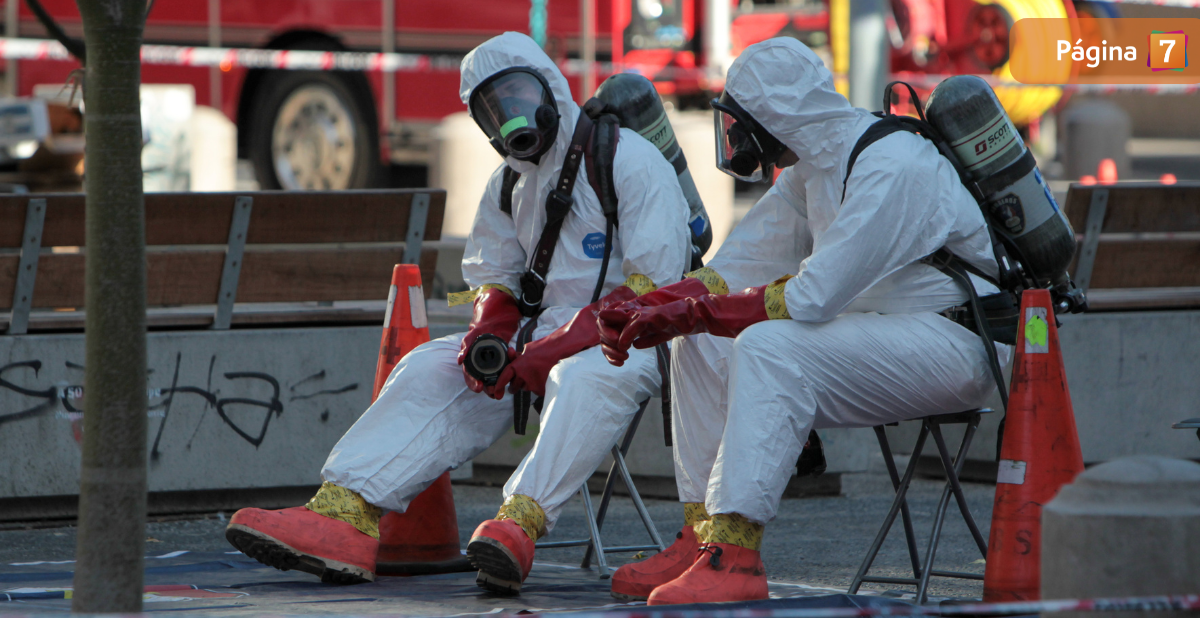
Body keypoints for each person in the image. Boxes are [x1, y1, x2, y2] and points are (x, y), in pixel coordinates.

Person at [224, 32, 691, 595]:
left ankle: (518, 526)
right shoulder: (508, 183)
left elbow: (651, 295)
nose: (511, 118)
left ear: (549, 87)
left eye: (518, 97)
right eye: (493, 110)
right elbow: (494, 276)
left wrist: (550, 351)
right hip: (538, 339)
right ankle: (343, 516)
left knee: (582, 376)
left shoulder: (630, 162)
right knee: (427, 366)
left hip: (628, 343)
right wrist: (487, 334)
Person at [597, 37, 1012, 605]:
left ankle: (735, 557)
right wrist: (654, 307)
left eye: (742, 125)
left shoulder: (893, 164)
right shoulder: (813, 166)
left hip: (962, 340)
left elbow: (813, 297)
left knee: (769, 347)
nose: (737, 140)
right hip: (894, 331)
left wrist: (686, 310)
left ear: (776, 116)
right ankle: (701, 538)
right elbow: (736, 268)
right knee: (697, 340)